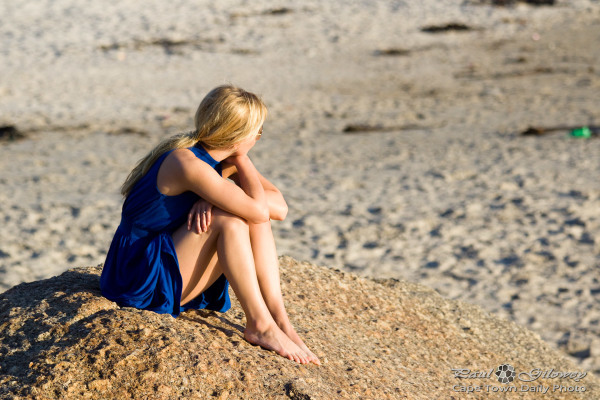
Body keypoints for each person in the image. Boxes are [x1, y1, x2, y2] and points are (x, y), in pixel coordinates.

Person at [100, 85, 319, 365]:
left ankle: (279, 320)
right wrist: (239, 163)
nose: (258, 137)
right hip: (136, 276)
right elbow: (259, 209)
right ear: (240, 135)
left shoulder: (217, 161)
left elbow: (279, 208)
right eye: (258, 132)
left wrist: (225, 183)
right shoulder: (185, 161)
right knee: (231, 220)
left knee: (247, 217)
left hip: (171, 259)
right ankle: (259, 324)